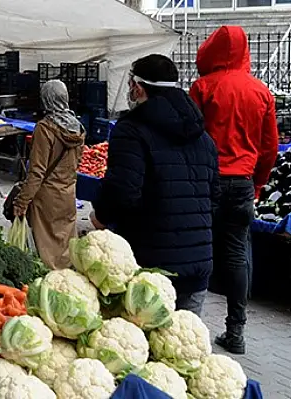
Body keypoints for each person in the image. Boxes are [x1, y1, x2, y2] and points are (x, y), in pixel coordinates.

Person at [91, 54, 220, 316]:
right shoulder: (203, 137)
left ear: (138, 87)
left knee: (145, 349)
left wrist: (101, 217)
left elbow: (123, 190)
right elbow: (215, 198)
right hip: (197, 265)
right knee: (182, 351)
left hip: (149, 265)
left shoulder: (131, 131)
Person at [189, 26, 279, 354]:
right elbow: (270, 147)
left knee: (199, 249)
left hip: (208, 182)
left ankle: (191, 327)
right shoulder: (261, 92)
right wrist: (257, 183)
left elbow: (190, 135)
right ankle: (236, 330)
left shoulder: (202, 87)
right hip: (242, 183)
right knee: (237, 254)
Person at [13, 80, 85, 269]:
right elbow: (77, 162)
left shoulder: (45, 128)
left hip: (47, 198)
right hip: (68, 193)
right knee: (66, 246)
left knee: (49, 254)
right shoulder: (78, 127)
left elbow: (37, 172)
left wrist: (22, 202)